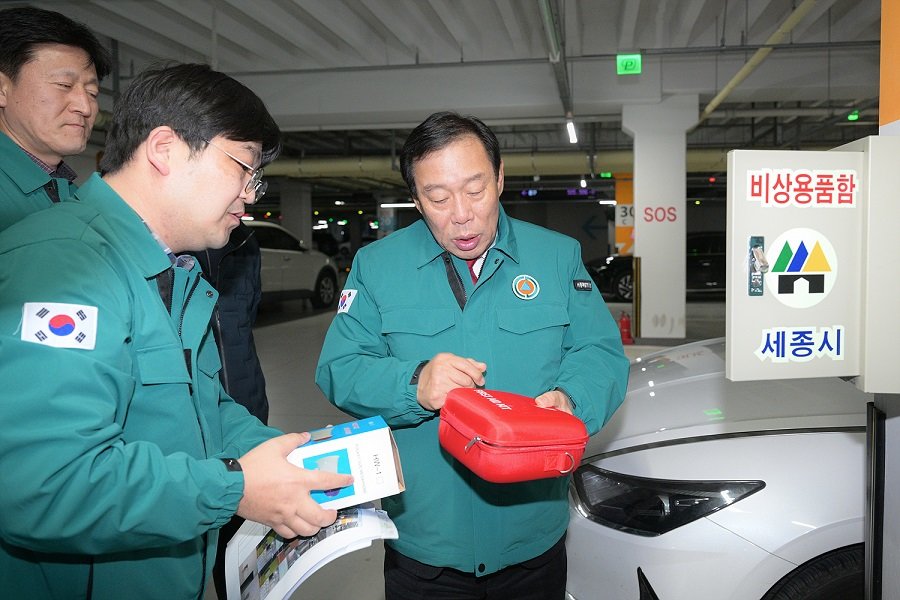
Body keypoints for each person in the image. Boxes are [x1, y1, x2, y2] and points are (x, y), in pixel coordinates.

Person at [0, 62, 351, 599]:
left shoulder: (173, 270)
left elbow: (200, 404)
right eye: (244, 168)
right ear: (164, 149)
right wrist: (235, 488)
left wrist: (282, 453)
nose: (252, 196)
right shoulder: (65, 265)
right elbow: (45, 486)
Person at [315, 111, 630, 599]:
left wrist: (572, 399)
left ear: (500, 178)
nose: (460, 213)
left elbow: (600, 352)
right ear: (417, 200)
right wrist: (413, 383)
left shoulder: (556, 256)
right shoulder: (377, 267)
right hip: (425, 543)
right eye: (438, 198)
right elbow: (339, 367)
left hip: (531, 536)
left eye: (475, 190)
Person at [196, 220, 271, 599]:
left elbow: (245, 318)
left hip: (245, 406)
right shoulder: (162, 247)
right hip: (191, 427)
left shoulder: (244, 241)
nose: (248, 194)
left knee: (239, 550)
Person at [0, 6, 111, 232]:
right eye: (64, 85)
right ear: (2, 89)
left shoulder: (71, 194)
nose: (85, 107)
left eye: (92, 93)